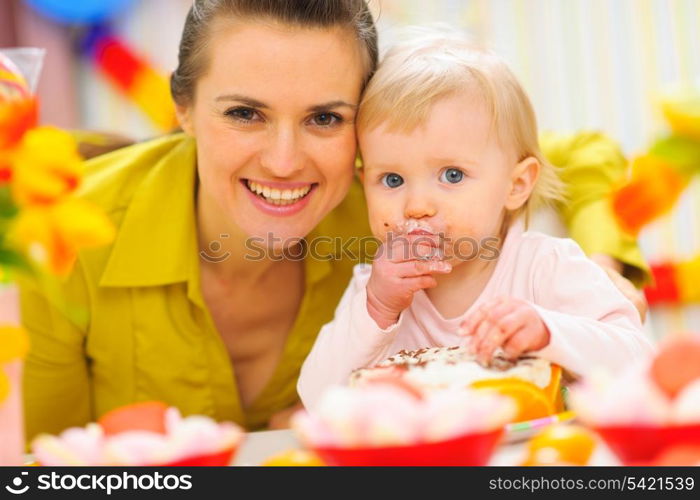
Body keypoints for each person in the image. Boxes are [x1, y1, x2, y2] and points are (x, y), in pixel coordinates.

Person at [19, 0, 647, 440]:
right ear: (182, 106)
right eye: (245, 113)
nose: (286, 162)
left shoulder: (396, 192)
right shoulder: (60, 233)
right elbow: (38, 464)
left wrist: (602, 269)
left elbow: (577, 157)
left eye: (325, 118)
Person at [297, 29, 654, 409]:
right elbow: (316, 395)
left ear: (516, 185)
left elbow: (639, 361)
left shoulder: (546, 267)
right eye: (392, 179)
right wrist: (378, 309)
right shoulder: (374, 290)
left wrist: (549, 331)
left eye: (452, 175)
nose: (417, 205)